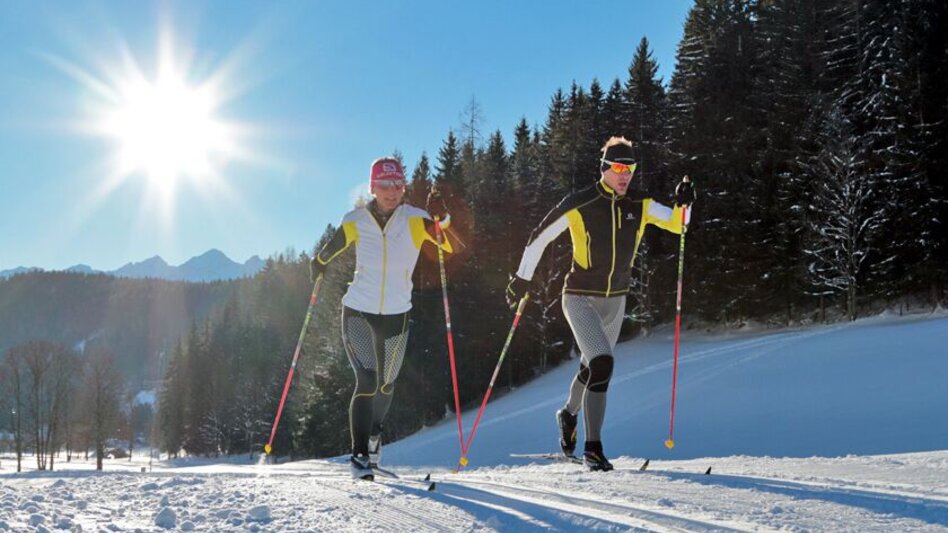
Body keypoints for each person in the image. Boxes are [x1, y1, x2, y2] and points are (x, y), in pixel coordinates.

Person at [506, 137, 694, 471]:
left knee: (590, 366)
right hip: (578, 297)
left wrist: (686, 205)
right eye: (619, 169)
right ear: (604, 168)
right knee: (603, 363)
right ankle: (593, 449)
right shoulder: (581, 202)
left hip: (616, 302)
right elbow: (540, 235)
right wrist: (522, 277)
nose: (626, 176)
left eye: (631, 169)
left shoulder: (642, 203)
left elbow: (680, 225)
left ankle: (568, 414)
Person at [310, 157, 452, 480]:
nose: (392, 192)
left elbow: (448, 246)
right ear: (372, 187)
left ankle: (374, 435)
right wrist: (318, 262)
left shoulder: (416, 220)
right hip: (358, 310)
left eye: (398, 185)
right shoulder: (356, 219)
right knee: (368, 379)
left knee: (386, 385)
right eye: (385, 185)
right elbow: (332, 247)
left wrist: (443, 219)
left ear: (404, 187)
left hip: (397, 316)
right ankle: (359, 455)